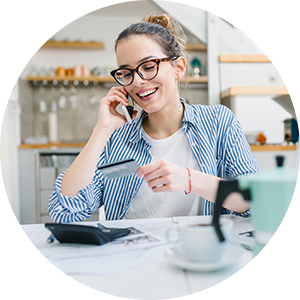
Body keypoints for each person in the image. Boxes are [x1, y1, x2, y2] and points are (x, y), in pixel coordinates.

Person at [48, 13, 259, 223]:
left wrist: (189, 179)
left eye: (148, 67)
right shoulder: (116, 139)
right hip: (131, 253)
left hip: (198, 252)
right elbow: (66, 211)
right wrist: (101, 130)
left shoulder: (218, 122)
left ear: (179, 68)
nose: (137, 81)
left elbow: (256, 200)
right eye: (127, 73)